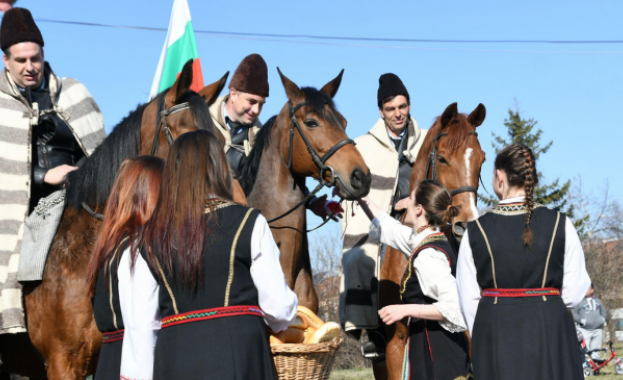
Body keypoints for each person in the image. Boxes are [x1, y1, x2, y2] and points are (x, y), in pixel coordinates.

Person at [121, 130, 298, 380]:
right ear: (218, 168)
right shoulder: (250, 222)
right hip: (241, 355)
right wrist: (289, 318)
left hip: (174, 359)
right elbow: (279, 308)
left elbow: (141, 326)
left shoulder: (146, 238)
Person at [0, 7, 105, 336]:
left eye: (36, 58)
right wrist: (43, 177)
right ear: (6, 61)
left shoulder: (73, 93)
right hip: (21, 207)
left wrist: (81, 174)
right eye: (21, 61)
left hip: (77, 203)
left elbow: (100, 153)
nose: (30, 67)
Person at [456, 143, 591, 380]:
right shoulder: (561, 223)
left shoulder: (475, 231)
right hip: (551, 328)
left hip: (495, 331)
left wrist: (491, 326)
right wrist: (545, 305)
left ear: (499, 176)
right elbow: (575, 291)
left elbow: (468, 301)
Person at [339, 73, 428, 358]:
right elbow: (350, 185)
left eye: (402, 107)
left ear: (409, 105)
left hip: (420, 219)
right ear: (381, 112)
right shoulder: (363, 145)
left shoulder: (425, 141)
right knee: (359, 258)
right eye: (390, 109)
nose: (397, 114)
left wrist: (413, 202)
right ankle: (372, 329)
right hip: (377, 222)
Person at [358, 180, 470, 380]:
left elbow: (457, 309)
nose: (405, 202)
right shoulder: (425, 240)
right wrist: (359, 196)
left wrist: (406, 309)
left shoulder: (429, 254)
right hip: (429, 347)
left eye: (410, 198)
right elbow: (389, 227)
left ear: (419, 209)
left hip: (439, 355)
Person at [209, 53, 342, 222]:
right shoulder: (198, 123)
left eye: (261, 104)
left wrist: (314, 202)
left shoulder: (261, 140)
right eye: (251, 101)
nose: (256, 110)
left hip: (236, 226)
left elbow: (281, 178)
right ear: (233, 94)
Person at [86, 156, 164, 380]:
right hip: (136, 362)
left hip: (110, 362)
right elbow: (143, 323)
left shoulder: (109, 246)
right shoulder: (140, 246)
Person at [573, 284, 607, 360]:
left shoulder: (598, 301)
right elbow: (574, 313)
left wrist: (602, 320)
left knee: (595, 351)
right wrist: (582, 320)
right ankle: (585, 368)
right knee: (584, 351)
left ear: (592, 290)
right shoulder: (579, 301)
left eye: (587, 289)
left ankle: (594, 368)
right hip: (584, 330)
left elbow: (603, 312)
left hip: (598, 330)